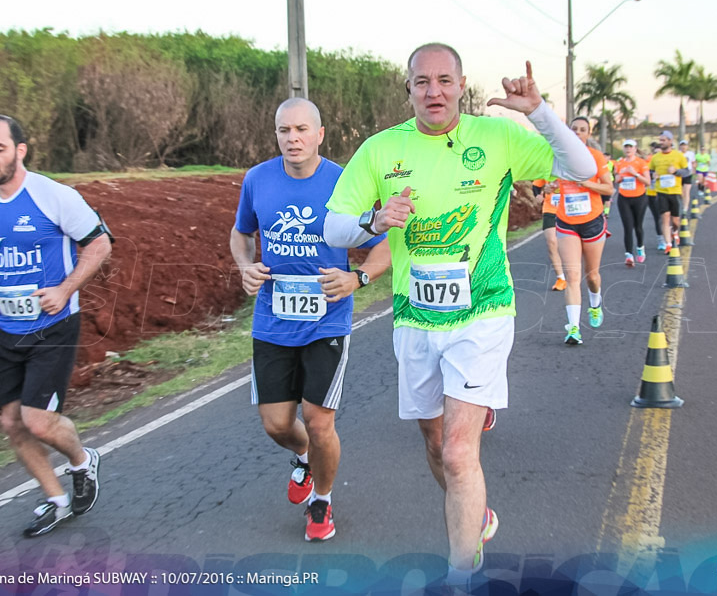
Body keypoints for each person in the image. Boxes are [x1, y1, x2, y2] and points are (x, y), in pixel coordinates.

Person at [322, 43, 596, 586]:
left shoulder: (495, 136)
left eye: (445, 81)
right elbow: (334, 228)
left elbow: (582, 168)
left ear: (462, 85)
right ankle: (476, 517)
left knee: (456, 448)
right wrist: (374, 221)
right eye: (422, 82)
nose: (434, 92)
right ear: (409, 90)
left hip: (484, 310)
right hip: (415, 316)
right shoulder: (380, 150)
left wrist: (538, 112)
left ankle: (461, 572)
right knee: (433, 439)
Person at [0, 114, 111, 538]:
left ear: (20, 150)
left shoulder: (53, 196)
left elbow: (99, 243)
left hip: (53, 324)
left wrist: (64, 290)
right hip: (5, 330)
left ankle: (83, 461)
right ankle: (55, 500)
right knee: (11, 423)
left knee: (39, 421)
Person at [229, 98, 391, 542]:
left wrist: (357, 277)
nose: (292, 138)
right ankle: (304, 457)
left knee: (320, 422)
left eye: (302, 129)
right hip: (273, 319)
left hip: (327, 320)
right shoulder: (258, 180)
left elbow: (386, 243)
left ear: (320, 134)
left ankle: (322, 499)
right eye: (284, 130)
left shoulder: (345, 182)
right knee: (277, 423)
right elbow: (241, 233)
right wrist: (245, 265)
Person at [554, 117, 614, 344]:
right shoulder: (559, 155)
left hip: (592, 220)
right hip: (566, 221)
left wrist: (587, 184)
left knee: (592, 275)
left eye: (583, 130)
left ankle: (596, 303)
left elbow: (609, 187)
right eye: (574, 129)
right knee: (573, 276)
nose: (578, 133)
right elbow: (546, 180)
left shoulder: (596, 157)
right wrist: (549, 186)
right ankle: (573, 328)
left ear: (588, 134)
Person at [648, 130, 690, 253]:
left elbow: (687, 172)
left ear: (670, 141)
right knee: (665, 217)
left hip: (675, 191)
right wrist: (653, 175)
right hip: (661, 191)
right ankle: (668, 244)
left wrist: (676, 171)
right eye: (660, 140)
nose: (661, 142)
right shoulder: (655, 158)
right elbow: (650, 172)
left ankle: (675, 232)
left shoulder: (678, 156)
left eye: (663, 140)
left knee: (675, 220)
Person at [613, 139, 651, 267]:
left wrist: (635, 174)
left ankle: (640, 247)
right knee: (627, 227)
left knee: (638, 226)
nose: (628, 149)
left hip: (639, 198)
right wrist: (620, 177)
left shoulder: (641, 163)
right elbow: (616, 179)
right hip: (624, 198)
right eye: (626, 147)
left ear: (635, 149)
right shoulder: (620, 163)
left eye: (630, 147)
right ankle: (629, 255)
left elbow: (648, 182)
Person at [531, 178, 566, 290]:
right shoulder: (547, 167)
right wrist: (538, 195)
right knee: (552, 243)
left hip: (569, 210)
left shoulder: (570, 165)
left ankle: (573, 272)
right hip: (550, 210)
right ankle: (561, 279)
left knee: (569, 245)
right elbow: (536, 185)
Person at [644, 141, 664, 251]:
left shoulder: (665, 164)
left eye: (659, 153)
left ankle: (671, 235)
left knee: (667, 217)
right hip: (651, 194)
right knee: (658, 217)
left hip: (665, 193)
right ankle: (661, 240)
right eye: (655, 153)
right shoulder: (648, 162)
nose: (656, 155)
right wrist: (651, 175)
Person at [678, 138, 696, 211]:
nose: (683, 147)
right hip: (679, 174)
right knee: (680, 193)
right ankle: (683, 203)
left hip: (688, 173)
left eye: (685, 145)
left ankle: (685, 208)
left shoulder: (690, 154)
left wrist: (694, 169)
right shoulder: (677, 154)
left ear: (687, 146)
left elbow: (693, 162)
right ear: (680, 147)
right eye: (682, 145)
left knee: (686, 192)